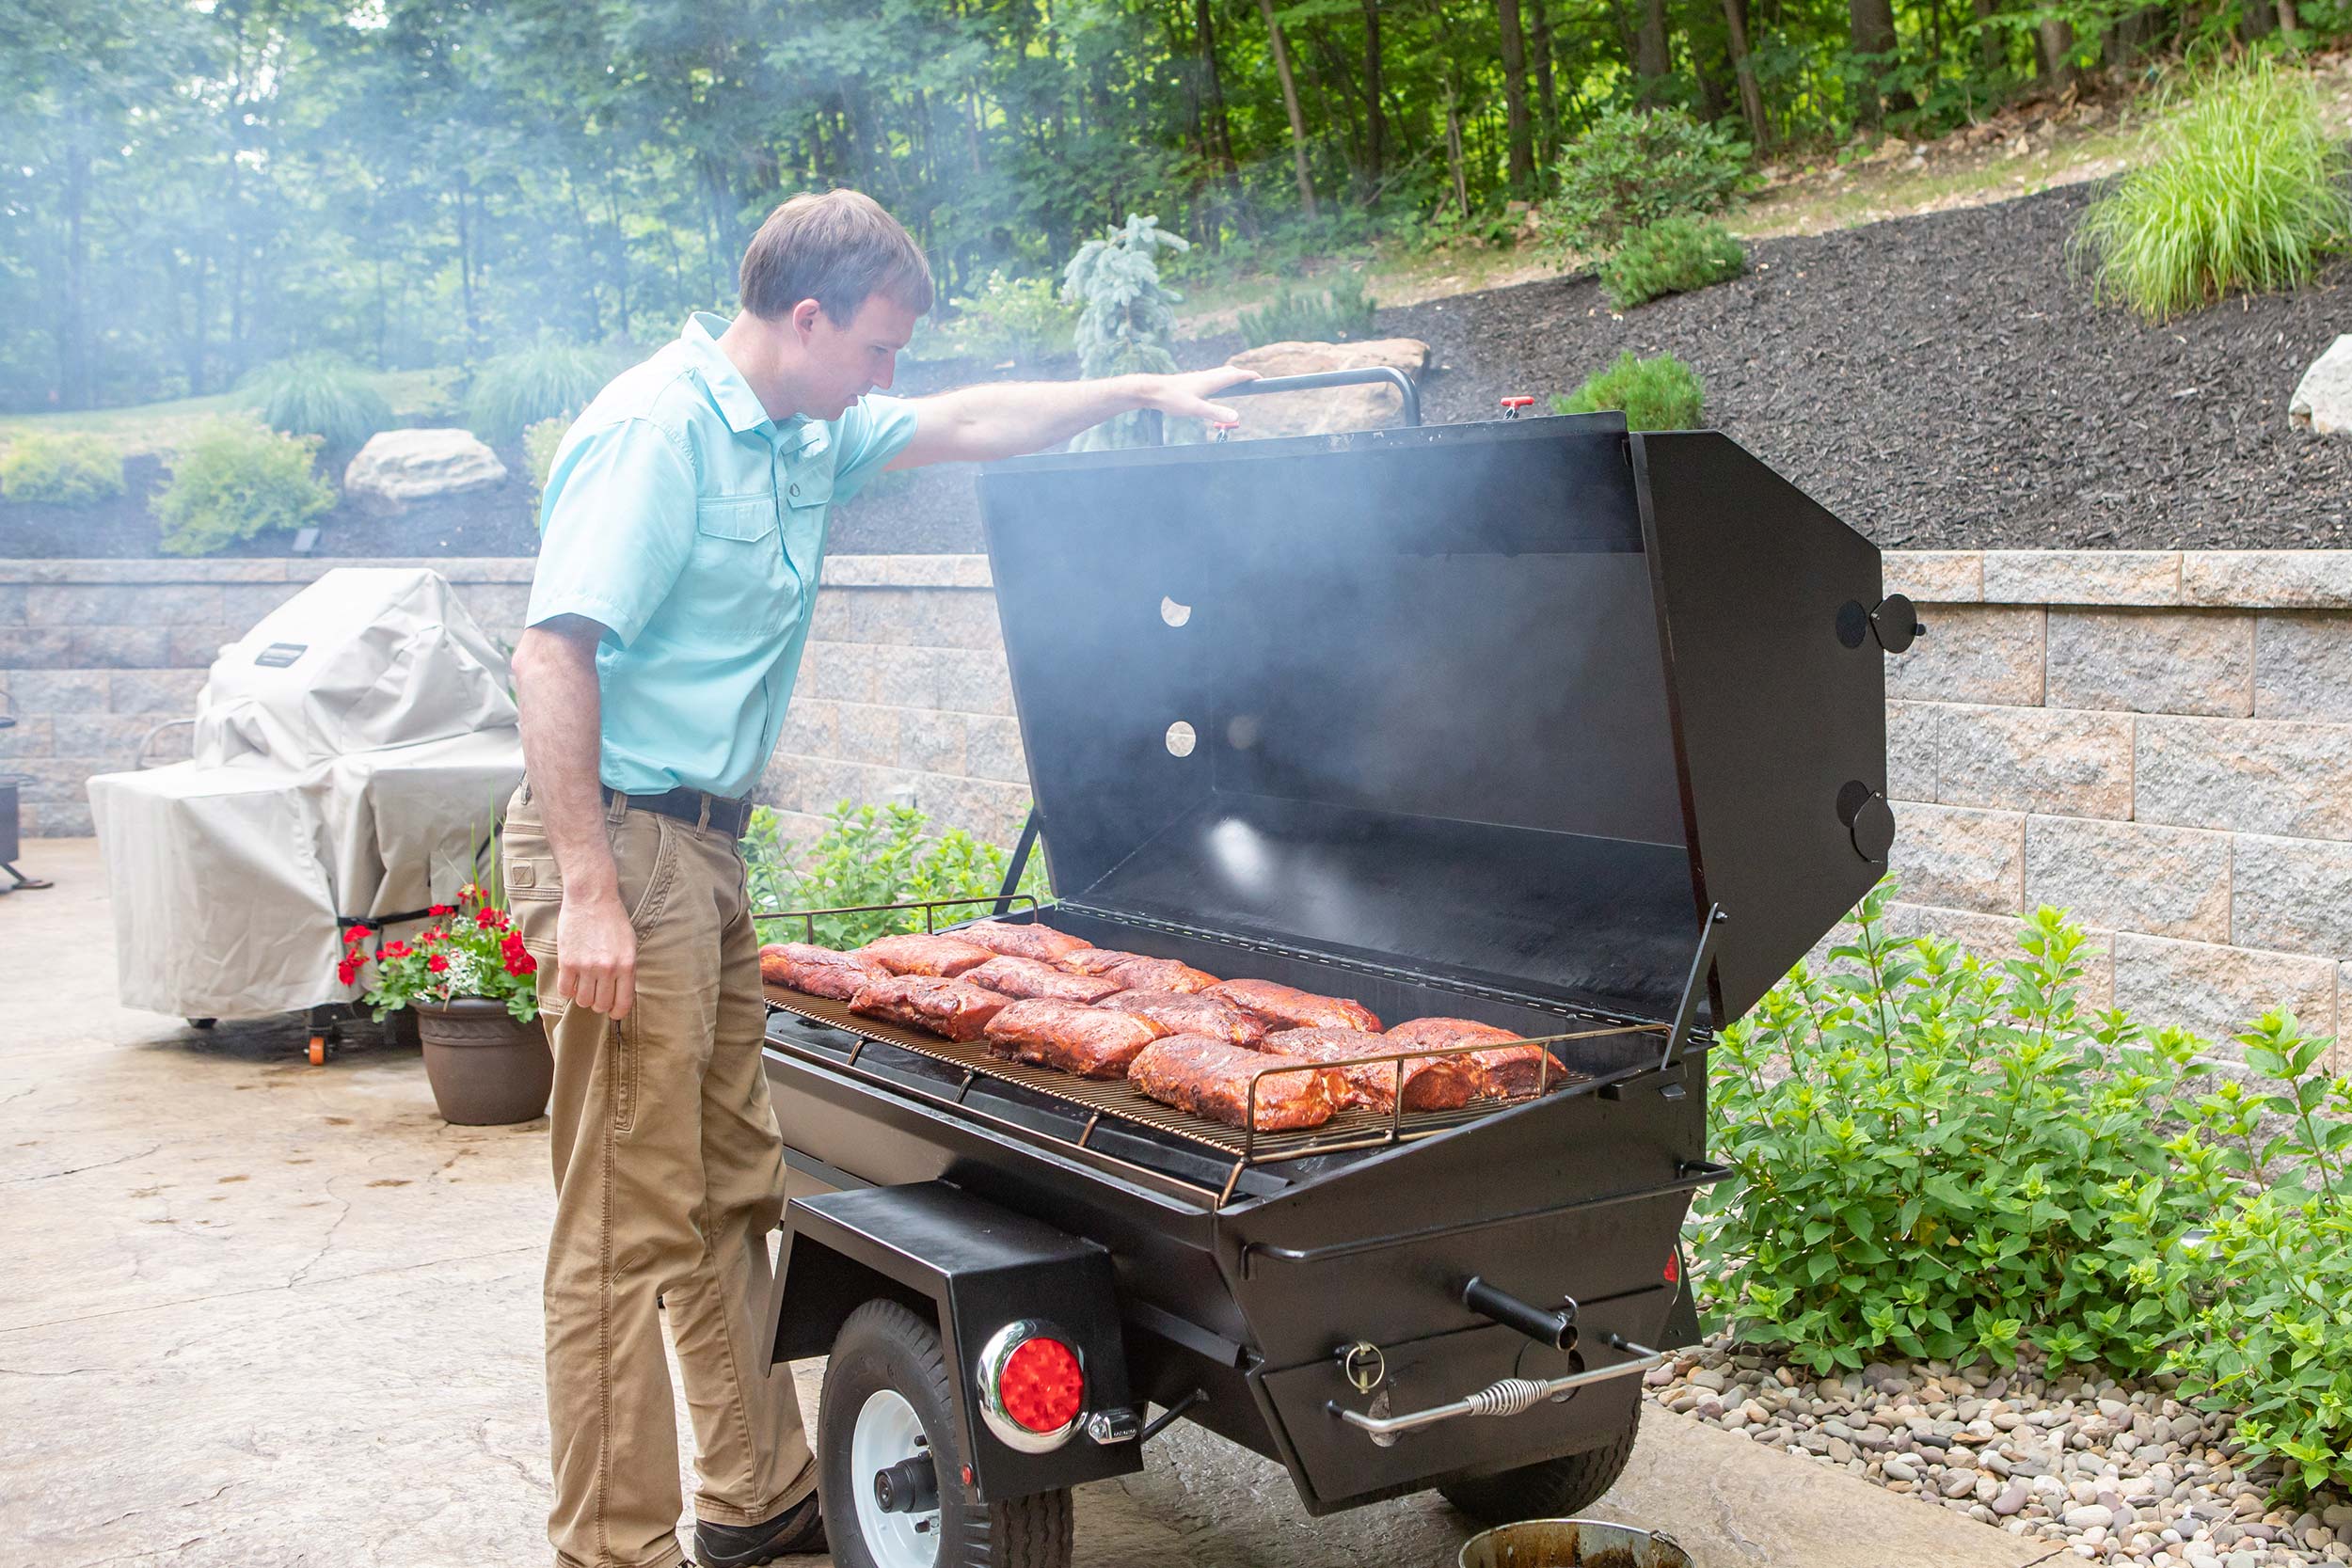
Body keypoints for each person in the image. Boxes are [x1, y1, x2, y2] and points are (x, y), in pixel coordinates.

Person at [500, 188, 1251, 1568]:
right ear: (806, 318)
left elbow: (974, 419)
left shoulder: (802, 433)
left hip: (702, 854)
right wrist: (591, 889)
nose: (888, 381)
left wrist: (1145, 383)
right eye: (877, 349)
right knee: (619, 1223)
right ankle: (610, 1547)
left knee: (732, 1186)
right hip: (621, 845)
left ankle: (752, 1491)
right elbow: (552, 653)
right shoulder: (658, 432)